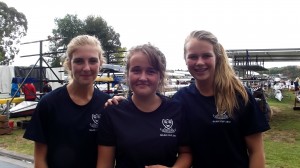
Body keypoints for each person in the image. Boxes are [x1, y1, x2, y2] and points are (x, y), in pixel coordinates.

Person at [172, 30, 270, 168]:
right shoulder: (180, 100)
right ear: (185, 59)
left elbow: (256, 151)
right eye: (193, 56)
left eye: (206, 55)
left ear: (217, 57)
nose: (199, 62)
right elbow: (185, 152)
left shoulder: (239, 95)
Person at [97, 44, 192, 168]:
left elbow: (186, 153)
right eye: (136, 70)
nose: (143, 77)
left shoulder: (176, 110)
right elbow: (105, 164)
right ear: (127, 74)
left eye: (150, 71)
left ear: (160, 76)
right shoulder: (112, 112)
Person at [23, 35, 111, 168]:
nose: (86, 68)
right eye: (79, 61)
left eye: (93, 61)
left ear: (100, 64)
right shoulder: (48, 104)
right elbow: (40, 160)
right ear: (69, 64)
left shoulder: (107, 105)